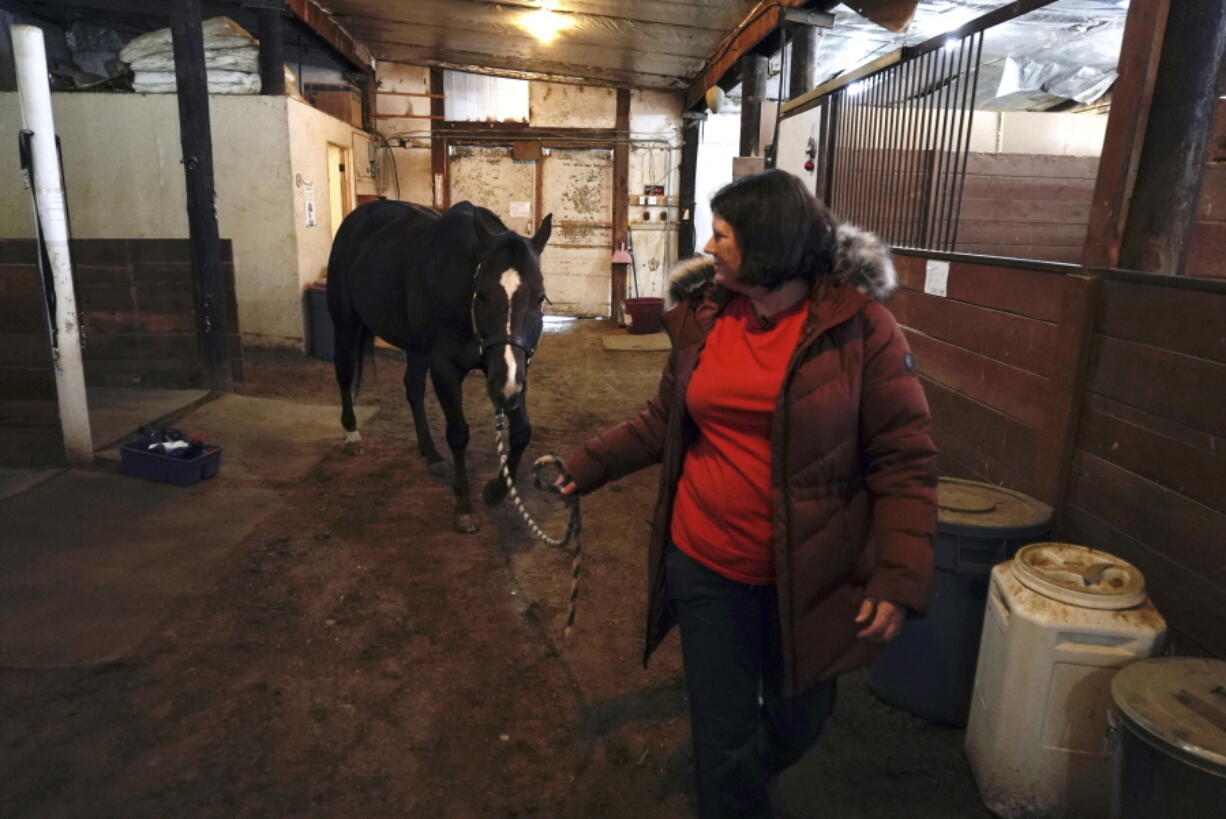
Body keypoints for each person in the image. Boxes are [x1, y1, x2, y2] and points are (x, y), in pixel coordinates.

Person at [559, 169, 937, 818]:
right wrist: (585, 466)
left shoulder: (862, 330)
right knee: (722, 734)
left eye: (724, 234)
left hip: (812, 571)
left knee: (801, 720)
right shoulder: (705, 319)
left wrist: (899, 575)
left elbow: (903, 459)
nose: (708, 245)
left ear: (767, 244)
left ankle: (740, 785)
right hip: (705, 562)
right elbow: (662, 420)